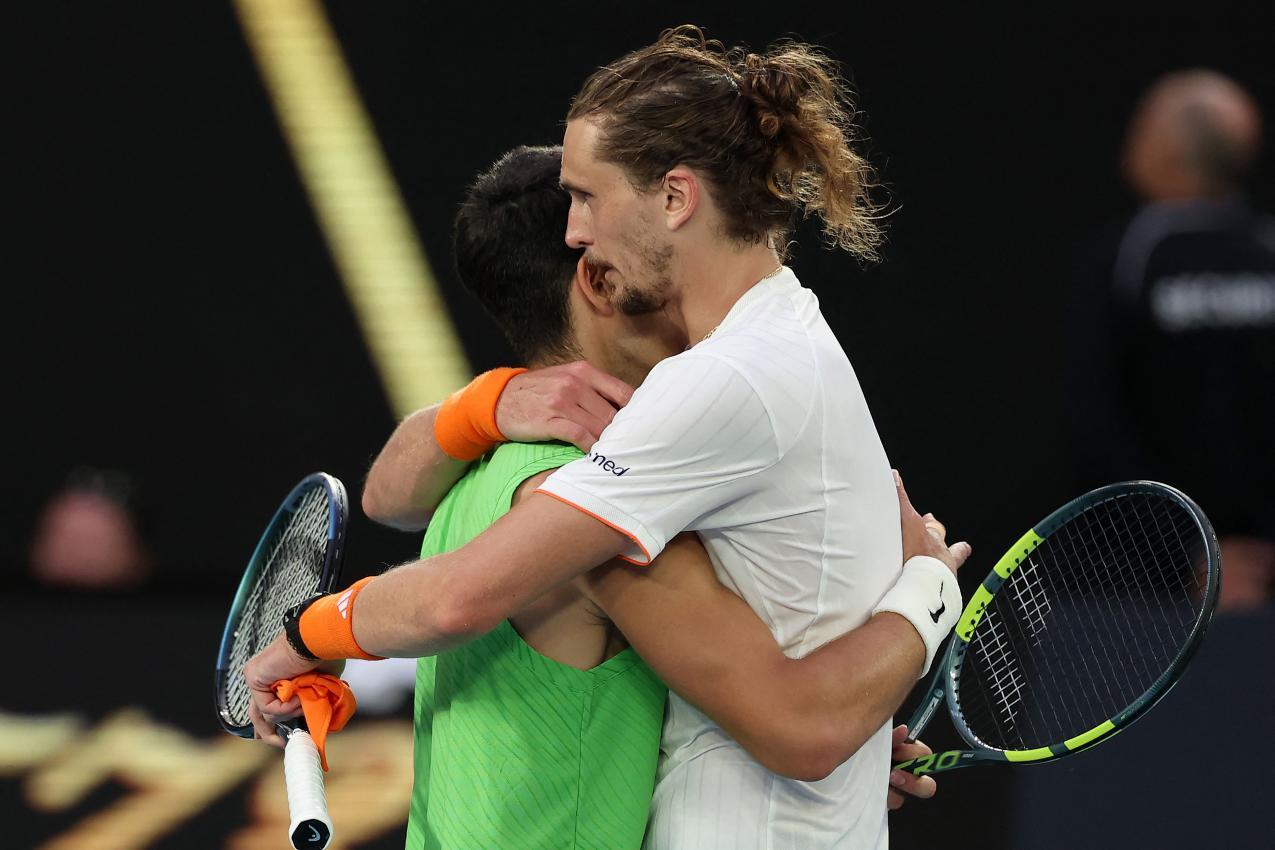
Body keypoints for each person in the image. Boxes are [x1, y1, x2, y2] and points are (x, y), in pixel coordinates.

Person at [246, 26, 968, 848]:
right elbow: (801, 726)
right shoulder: (752, 363)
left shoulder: (691, 395)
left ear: (673, 198)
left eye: (586, 197)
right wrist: (924, 590)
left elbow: (418, 537)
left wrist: (856, 736)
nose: (576, 230)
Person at [1069, 69, 1275, 611]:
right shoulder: (1265, 252)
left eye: (1139, 130)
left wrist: (1193, 557)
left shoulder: (1126, 261)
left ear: (1166, 152)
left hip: (1146, 593)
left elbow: (1096, 423)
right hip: (1240, 576)